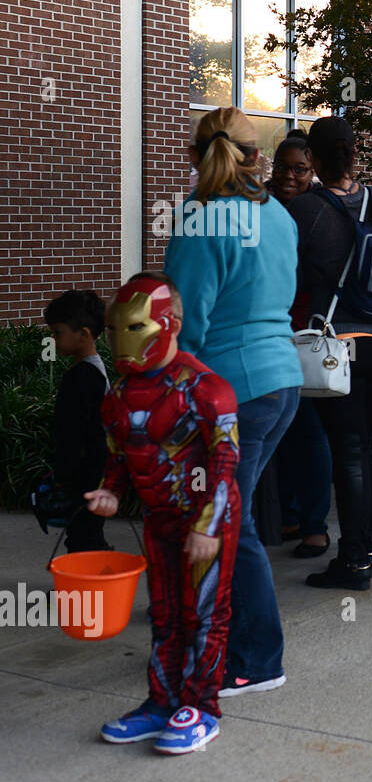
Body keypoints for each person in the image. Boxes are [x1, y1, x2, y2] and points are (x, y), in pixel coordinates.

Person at [164, 107, 300, 697]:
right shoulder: (277, 215)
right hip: (281, 382)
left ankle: (255, 659)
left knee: (226, 523)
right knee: (227, 517)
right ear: (255, 155)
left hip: (226, 392)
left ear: (195, 157)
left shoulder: (198, 218)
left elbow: (182, 322)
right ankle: (226, 643)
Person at [89, 274, 239, 755]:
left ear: (169, 324)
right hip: (160, 520)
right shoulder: (119, 396)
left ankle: (202, 710)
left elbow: (226, 461)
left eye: (134, 327)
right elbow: (121, 455)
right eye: (116, 330)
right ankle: (162, 703)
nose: (123, 341)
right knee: (165, 615)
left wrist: (207, 526)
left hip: (205, 522)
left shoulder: (206, 389)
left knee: (205, 615)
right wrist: (111, 493)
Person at [290, 116, 372, 591]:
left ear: (313, 159)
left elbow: (289, 277)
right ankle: (366, 548)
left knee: (349, 453)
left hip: (343, 347)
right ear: (354, 153)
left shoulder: (305, 209)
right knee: (364, 448)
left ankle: (355, 561)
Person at [267, 130, 332, 561]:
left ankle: (315, 526)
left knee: (310, 431)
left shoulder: (319, 211)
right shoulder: (262, 207)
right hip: (268, 333)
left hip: (306, 334)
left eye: (300, 169)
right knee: (281, 431)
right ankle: (288, 514)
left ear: (313, 171)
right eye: (283, 167)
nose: (289, 176)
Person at [44, 290, 110, 552]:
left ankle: (93, 586)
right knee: (86, 531)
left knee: (84, 535)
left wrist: (63, 475)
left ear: (83, 334)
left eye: (58, 332)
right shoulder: (95, 369)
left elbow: (71, 433)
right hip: (93, 471)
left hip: (84, 475)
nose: (54, 339)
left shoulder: (82, 377)